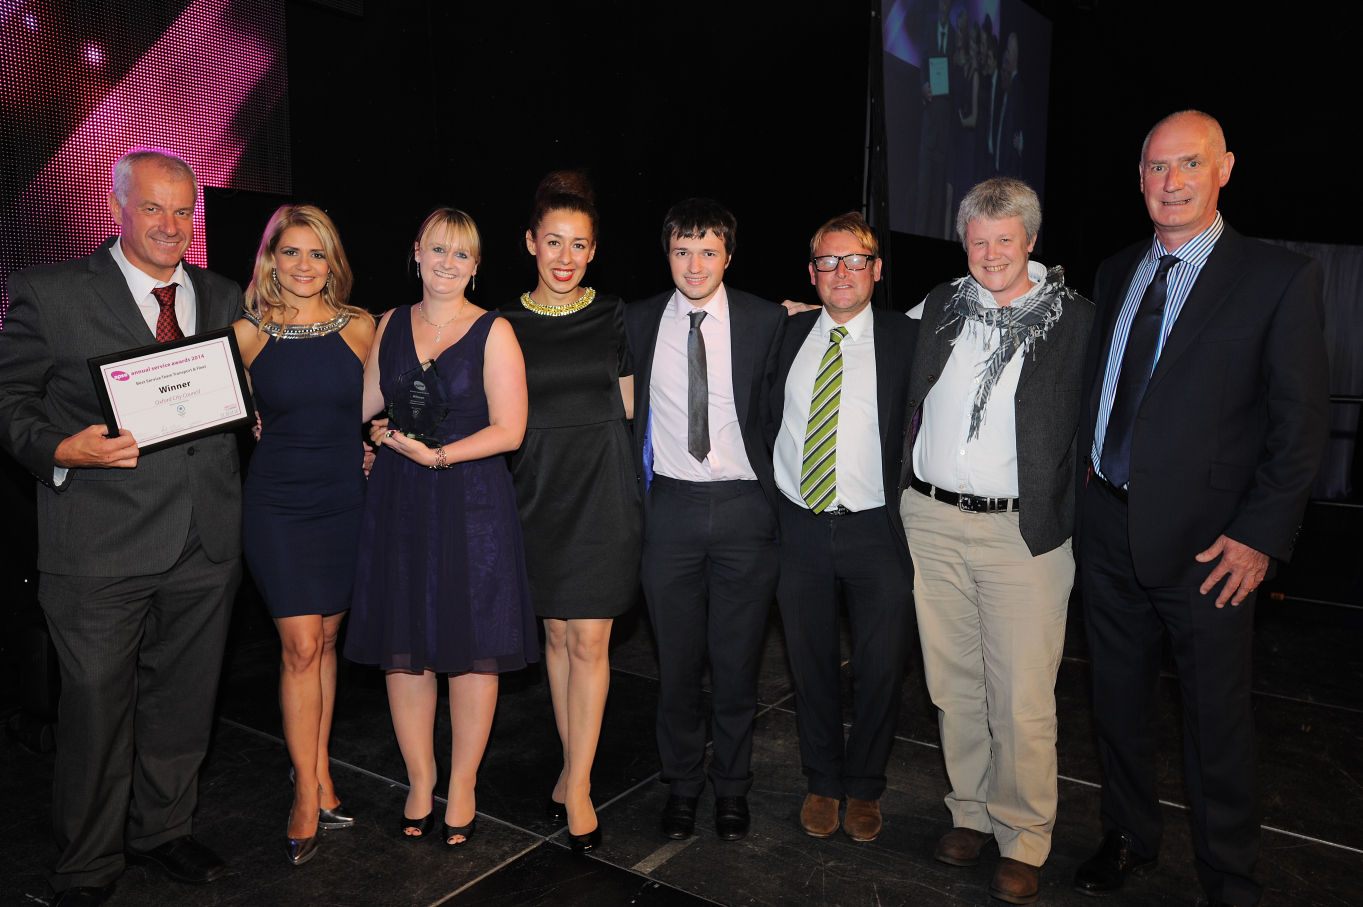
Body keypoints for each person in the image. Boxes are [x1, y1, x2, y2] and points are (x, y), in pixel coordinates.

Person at [1073, 111, 1329, 907]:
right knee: (1116, 702)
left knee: (1214, 721)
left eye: (1189, 163)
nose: (1171, 181)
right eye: (1156, 166)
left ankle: (1228, 873)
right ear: (1138, 179)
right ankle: (1127, 834)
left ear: (1224, 169)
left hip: (1210, 546)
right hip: (1106, 527)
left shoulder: (1277, 277)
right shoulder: (1116, 268)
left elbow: (1298, 424)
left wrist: (1258, 535)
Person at [0, 149, 243, 906]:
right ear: (115, 207)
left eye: (183, 210)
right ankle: (87, 862)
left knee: (184, 700)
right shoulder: (49, 291)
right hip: (99, 543)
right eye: (152, 207)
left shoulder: (223, 293)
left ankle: (163, 830)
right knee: (96, 710)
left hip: (205, 537)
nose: (171, 225)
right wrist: (58, 448)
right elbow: (9, 400)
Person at [900, 178, 1095, 905]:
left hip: (1022, 533)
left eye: (1003, 240)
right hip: (932, 521)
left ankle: (1023, 836)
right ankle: (971, 812)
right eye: (977, 241)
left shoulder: (1077, 320)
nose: (989, 254)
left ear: (1031, 241)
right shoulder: (940, 305)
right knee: (953, 685)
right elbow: (877, 345)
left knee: (1020, 697)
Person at [346, 207, 537, 848]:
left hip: (470, 501)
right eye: (437, 249)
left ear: (475, 266)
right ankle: (420, 779)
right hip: (399, 499)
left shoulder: (494, 331)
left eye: (461, 254)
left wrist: (439, 456)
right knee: (405, 646)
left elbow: (511, 430)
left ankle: (462, 784)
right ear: (417, 253)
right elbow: (362, 403)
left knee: (472, 647)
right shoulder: (389, 323)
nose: (447, 263)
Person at [623, 198, 785, 842]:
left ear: (728, 256)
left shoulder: (767, 319)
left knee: (738, 665)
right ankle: (683, 783)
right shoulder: (637, 320)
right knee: (678, 666)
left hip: (746, 509)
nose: (695, 265)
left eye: (708, 252)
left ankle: (733, 787)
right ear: (667, 255)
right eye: (683, 251)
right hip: (670, 510)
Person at [498, 172, 642, 853]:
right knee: (555, 637)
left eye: (579, 245)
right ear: (530, 241)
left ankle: (579, 783)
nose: (565, 256)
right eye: (553, 241)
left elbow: (636, 406)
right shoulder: (503, 322)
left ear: (593, 251)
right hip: (536, 493)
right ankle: (570, 764)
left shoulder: (615, 315)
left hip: (604, 492)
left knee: (589, 640)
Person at [232, 205, 375, 865]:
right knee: (300, 646)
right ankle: (304, 794)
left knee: (326, 644)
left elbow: (387, 402)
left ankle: (317, 772)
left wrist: (379, 439)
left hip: (344, 501)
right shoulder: (246, 334)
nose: (304, 265)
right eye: (290, 251)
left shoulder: (361, 327)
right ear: (270, 259)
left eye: (317, 253)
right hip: (278, 507)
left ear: (332, 261)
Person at [770, 213, 917, 844]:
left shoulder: (908, 337)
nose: (842, 272)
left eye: (856, 261)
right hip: (798, 525)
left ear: (876, 270)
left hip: (877, 530)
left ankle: (865, 786)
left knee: (882, 666)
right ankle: (823, 780)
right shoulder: (784, 333)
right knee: (810, 664)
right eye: (828, 262)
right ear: (812, 273)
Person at [915, 0, 955, 238]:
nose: (943, 5)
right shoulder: (930, 24)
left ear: (951, 6)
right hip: (929, 124)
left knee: (938, 197)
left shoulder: (955, 35)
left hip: (945, 128)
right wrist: (923, 88)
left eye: (947, 2)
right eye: (941, 1)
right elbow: (923, 62)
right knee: (923, 193)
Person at [995, 34, 1026, 179]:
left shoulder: (1017, 88)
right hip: (1004, 167)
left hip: (1009, 171)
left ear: (1013, 55)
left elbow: (1016, 128)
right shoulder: (1010, 88)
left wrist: (1021, 144)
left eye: (1008, 50)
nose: (1005, 54)